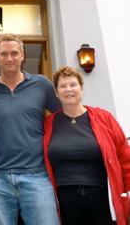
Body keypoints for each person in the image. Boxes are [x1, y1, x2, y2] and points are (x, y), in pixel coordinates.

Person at [0, 33, 62, 225]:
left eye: (14, 53)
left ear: (23, 54)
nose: (9, 58)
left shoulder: (42, 84)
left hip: (37, 175)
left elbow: (63, 117)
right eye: (4, 54)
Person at [43, 65, 130, 225]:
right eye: (62, 86)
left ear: (81, 88)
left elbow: (124, 156)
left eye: (73, 84)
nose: (68, 89)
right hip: (64, 199)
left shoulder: (104, 117)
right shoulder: (49, 123)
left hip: (102, 196)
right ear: (56, 92)